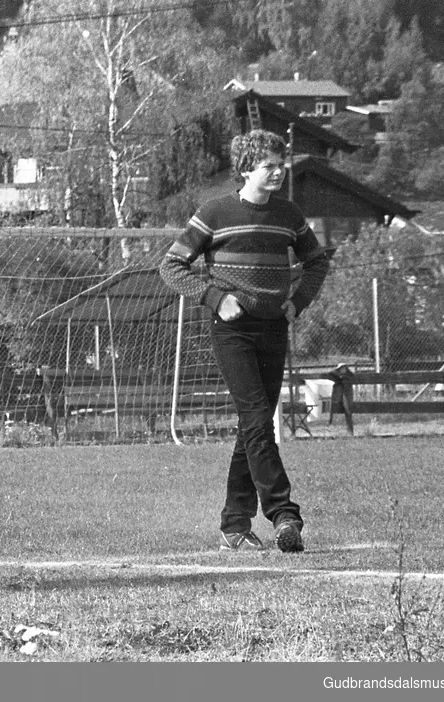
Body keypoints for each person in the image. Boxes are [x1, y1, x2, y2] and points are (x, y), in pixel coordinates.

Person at [159, 129, 330, 554]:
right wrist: (216, 298)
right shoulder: (214, 213)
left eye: (281, 164)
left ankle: (234, 525)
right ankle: (284, 514)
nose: (277, 172)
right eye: (268, 165)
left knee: (251, 427)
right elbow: (172, 265)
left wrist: (297, 302)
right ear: (245, 169)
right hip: (232, 330)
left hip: (274, 328)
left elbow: (316, 261)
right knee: (257, 420)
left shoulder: (289, 215)